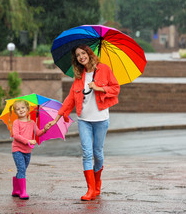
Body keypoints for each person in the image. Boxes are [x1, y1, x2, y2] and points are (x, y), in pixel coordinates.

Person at [46, 44, 120, 201]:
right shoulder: (79, 75)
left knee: (97, 153)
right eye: (78, 55)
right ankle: (90, 189)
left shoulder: (104, 69)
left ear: (89, 53)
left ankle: (97, 180)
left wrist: (99, 88)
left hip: (101, 119)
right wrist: (56, 118)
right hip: (83, 120)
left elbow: (115, 88)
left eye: (83, 53)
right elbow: (70, 99)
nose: (81, 57)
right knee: (87, 153)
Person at [9, 100, 48, 200]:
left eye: (23, 108)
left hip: (27, 152)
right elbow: (16, 136)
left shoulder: (32, 122)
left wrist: (45, 129)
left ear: (27, 109)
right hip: (17, 150)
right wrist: (28, 141)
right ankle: (23, 192)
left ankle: (16, 190)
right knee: (22, 169)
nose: (21, 110)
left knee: (22, 170)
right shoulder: (16, 122)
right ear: (15, 112)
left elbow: (38, 133)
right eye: (18, 109)